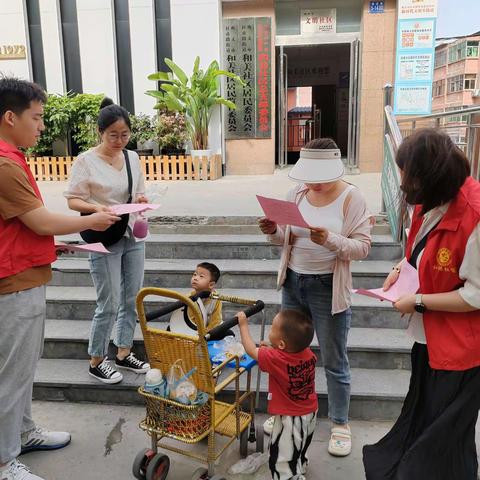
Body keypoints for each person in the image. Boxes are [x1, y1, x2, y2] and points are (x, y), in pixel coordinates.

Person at [0, 77, 119, 480]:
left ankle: (24, 432)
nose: (41, 126)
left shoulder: (11, 156)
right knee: (11, 373)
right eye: (36, 118)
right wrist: (93, 218)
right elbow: (40, 220)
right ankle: (3, 460)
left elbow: (23, 225)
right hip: (13, 283)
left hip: (24, 273)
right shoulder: (3, 163)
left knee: (23, 367)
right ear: (9, 117)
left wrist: (57, 244)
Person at [363, 129, 480, 480]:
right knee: (424, 423)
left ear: (430, 177)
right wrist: (401, 267)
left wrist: (418, 301)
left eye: (408, 174)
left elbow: (476, 294)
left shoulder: (473, 216)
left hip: (461, 352)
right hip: (429, 341)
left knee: (440, 438)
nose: (402, 182)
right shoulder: (430, 202)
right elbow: (421, 249)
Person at [258, 138, 373, 456]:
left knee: (334, 360)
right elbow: (285, 238)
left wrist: (331, 240)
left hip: (327, 288)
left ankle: (339, 422)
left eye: (318, 176)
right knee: (287, 353)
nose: (312, 184)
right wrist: (272, 230)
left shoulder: (352, 198)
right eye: (307, 176)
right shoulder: (296, 193)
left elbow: (362, 247)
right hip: (294, 282)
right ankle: (287, 410)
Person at [64, 98, 150, 384]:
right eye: (113, 135)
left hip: (131, 234)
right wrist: (96, 208)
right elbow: (73, 200)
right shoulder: (85, 160)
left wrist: (141, 200)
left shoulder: (132, 157)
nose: (119, 140)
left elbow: (139, 192)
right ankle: (97, 359)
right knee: (108, 302)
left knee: (131, 298)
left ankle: (124, 352)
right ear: (100, 132)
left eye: (124, 134)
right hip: (102, 236)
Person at [237, 309, 317, 480]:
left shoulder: (275, 358)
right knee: (300, 445)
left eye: (272, 329)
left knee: (281, 458)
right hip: (309, 412)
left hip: (291, 417)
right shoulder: (307, 352)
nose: (269, 331)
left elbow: (251, 350)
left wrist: (243, 324)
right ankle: (300, 466)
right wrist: (272, 346)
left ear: (281, 345)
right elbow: (285, 354)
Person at [168, 262, 223, 335]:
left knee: (226, 332)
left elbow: (215, 321)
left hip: (209, 331)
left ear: (211, 284)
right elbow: (190, 321)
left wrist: (206, 333)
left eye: (201, 276)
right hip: (192, 329)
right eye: (194, 274)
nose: (195, 278)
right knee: (169, 329)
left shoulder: (216, 299)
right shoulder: (189, 298)